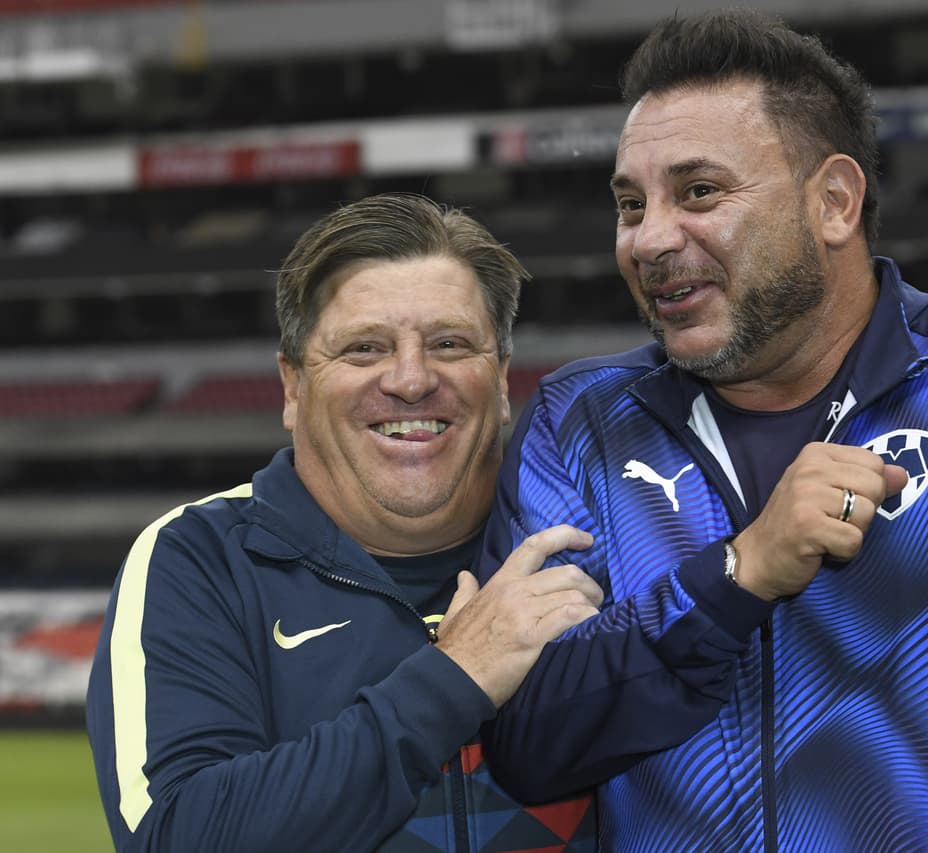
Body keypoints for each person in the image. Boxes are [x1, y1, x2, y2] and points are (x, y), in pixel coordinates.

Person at [478, 10, 928, 853]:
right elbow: (529, 741)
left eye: (699, 191)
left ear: (834, 202)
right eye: (631, 204)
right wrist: (733, 579)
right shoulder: (581, 424)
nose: (651, 239)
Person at [85, 194, 605, 852]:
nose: (411, 379)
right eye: (364, 348)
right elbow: (181, 835)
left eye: (449, 343)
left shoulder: (596, 538)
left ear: (501, 380)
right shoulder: (198, 560)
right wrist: (455, 678)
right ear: (293, 387)